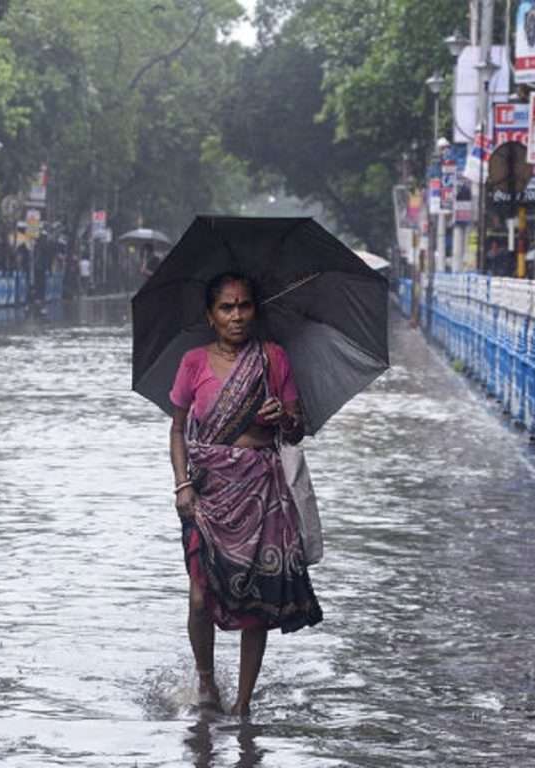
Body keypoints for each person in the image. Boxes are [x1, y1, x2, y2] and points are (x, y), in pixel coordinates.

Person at [168, 272, 323, 717]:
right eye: (227, 308)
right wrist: (182, 484)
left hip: (261, 492)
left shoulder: (273, 359)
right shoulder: (193, 363)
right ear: (211, 316)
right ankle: (205, 680)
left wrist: (280, 417)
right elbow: (178, 428)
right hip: (206, 494)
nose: (237, 316)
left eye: (245, 306)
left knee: (257, 603)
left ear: (256, 309)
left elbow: (297, 427)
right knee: (200, 596)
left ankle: (242, 705)